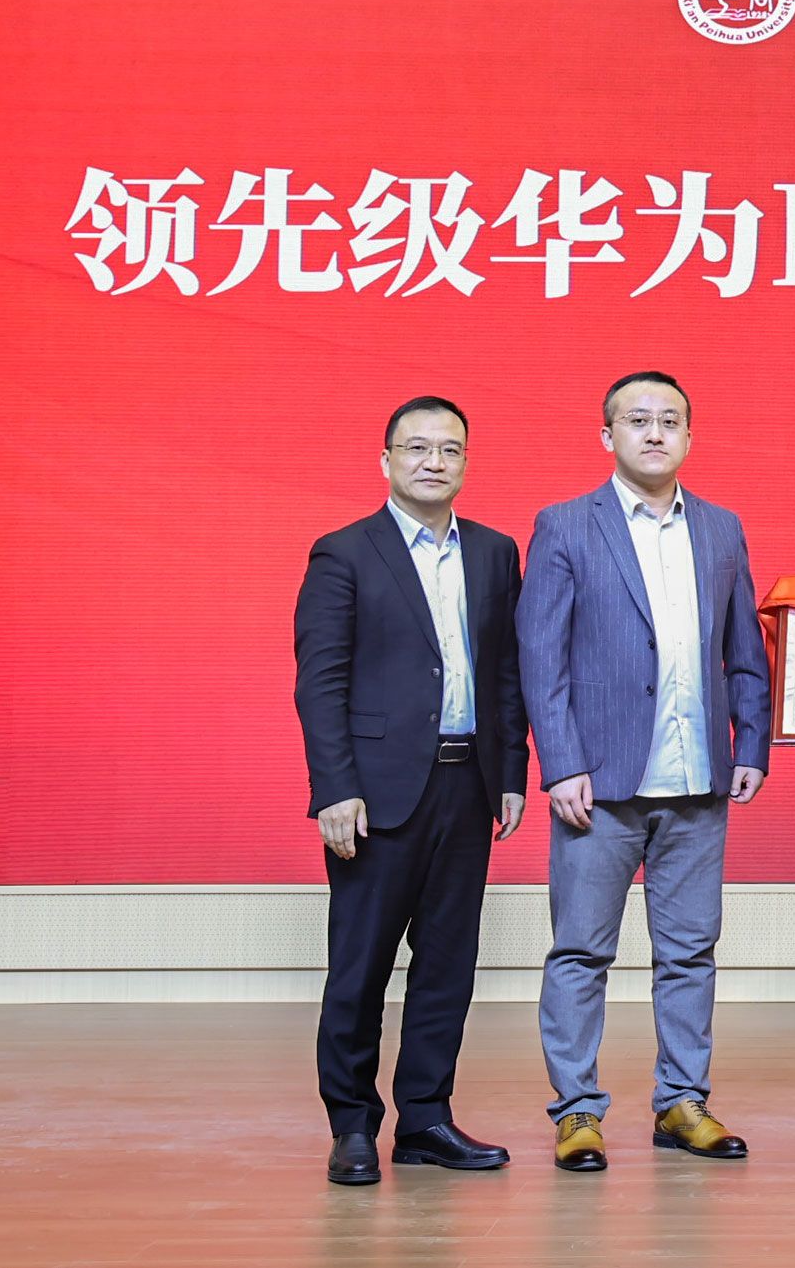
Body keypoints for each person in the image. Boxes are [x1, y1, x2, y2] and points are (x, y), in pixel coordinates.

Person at [518, 371, 771, 1173]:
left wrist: (752, 742)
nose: (654, 432)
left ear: (690, 436)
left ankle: (682, 1102)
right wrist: (561, 763)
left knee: (691, 951)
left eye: (670, 420)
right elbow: (540, 656)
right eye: (637, 419)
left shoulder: (722, 528)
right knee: (581, 951)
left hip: (697, 780)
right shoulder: (565, 525)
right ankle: (577, 1110)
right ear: (608, 435)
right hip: (598, 786)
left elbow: (745, 647)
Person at [294, 396, 530, 1186]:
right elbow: (320, 682)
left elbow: (505, 671)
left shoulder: (494, 552)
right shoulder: (343, 552)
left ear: (466, 462)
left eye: (450, 449)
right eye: (418, 447)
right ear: (387, 460)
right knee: (360, 966)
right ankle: (352, 1125)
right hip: (376, 794)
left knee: (447, 964)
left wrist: (511, 773)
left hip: (469, 784)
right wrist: (335, 787)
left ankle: (425, 1117)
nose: (435, 461)